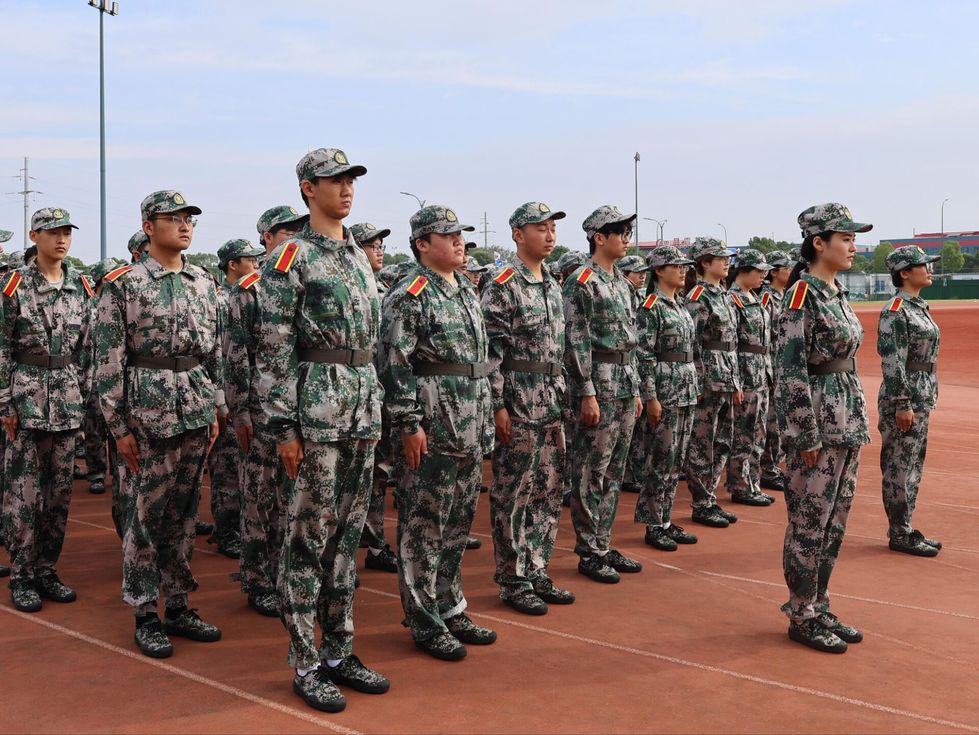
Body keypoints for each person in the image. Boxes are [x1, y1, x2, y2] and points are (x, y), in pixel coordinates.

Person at [256, 150, 389, 712]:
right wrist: (283, 427)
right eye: (335, 181)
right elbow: (273, 348)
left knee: (346, 540)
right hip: (316, 416)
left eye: (351, 180)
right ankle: (305, 660)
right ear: (308, 188)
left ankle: (339, 650)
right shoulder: (290, 256)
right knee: (307, 540)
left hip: (360, 412)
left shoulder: (358, 255)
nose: (346, 189)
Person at [95, 190, 224, 658]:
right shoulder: (124, 285)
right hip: (147, 416)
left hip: (194, 407)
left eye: (189, 218)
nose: (184, 225)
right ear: (149, 227)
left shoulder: (203, 281)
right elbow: (108, 360)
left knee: (184, 513)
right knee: (145, 516)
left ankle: (179, 604)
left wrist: (216, 406)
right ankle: (145, 611)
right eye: (173, 218)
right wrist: (118, 427)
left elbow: (213, 351)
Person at [379, 204, 497, 661]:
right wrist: (408, 424)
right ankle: (424, 619)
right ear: (423, 244)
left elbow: (479, 362)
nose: (459, 241)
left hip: (469, 424)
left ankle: (450, 606)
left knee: (457, 524)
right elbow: (394, 363)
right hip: (433, 427)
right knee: (424, 525)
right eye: (448, 236)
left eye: (459, 234)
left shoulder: (464, 288)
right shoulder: (409, 294)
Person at [776, 202, 871, 653]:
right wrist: (804, 433)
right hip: (817, 423)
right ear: (819, 243)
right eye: (846, 238)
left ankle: (819, 603)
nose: (853, 246)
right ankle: (801, 613)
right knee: (809, 521)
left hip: (845, 420)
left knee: (834, 521)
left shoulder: (837, 292)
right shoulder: (801, 295)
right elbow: (790, 369)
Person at [482, 201, 574, 615]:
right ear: (518, 234)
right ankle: (513, 578)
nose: (549, 235)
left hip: (551, 401)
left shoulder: (552, 284)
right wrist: (497, 404)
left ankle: (537, 568)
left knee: (548, 490)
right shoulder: (504, 283)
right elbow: (491, 351)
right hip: (518, 401)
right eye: (540, 228)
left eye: (552, 228)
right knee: (513, 492)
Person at [0, 208, 92, 612]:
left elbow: (88, 349)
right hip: (26, 401)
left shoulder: (81, 286)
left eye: (66, 232)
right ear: (34, 235)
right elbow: (2, 348)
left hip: (67, 401)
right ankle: (21, 575)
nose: (61, 239)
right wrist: (5, 403)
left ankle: (47, 569)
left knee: (59, 495)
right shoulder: (13, 285)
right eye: (53, 232)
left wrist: (83, 398)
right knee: (24, 495)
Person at [227, 207, 306, 619]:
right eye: (286, 231)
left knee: (295, 496)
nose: (294, 236)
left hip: (302, 407)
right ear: (266, 238)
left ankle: (288, 573)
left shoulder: (305, 279)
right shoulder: (249, 289)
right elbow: (236, 356)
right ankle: (258, 579)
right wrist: (239, 411)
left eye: (298, 230)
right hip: (260, 410)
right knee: (260, 496)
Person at [563, 206, 644, 584]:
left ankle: (603, 542)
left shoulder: (623, 284)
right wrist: (586, 392)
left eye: (628, 232)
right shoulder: (582, 281)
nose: (627, 239)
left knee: (614, 472)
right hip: (599, 382)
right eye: (620, 233)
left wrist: (637, 388)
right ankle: (589, 550)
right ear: (599, 237)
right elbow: (575, 341)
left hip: (624, 383)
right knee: (590, 470)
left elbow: (632, 343)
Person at [878, 246, 943, 557]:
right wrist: (902, 403)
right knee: (899, 468)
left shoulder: (917, 306)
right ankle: (900, 533)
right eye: (923, 265)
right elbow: (893, 361)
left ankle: (904, 527)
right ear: (904, 272)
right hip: (905, 398)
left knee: (913, 465)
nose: (930, 270)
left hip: (921, 395)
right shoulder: (896, 310)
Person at [634, 245, 699, 551]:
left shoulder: (681, 305)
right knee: (661, 459)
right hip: (665, 390)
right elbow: (644, 355)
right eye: (676, 266)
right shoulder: (651, 307)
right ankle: (653, 524)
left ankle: (666, 520)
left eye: (684, 266)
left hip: (686, 389)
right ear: (659, 270)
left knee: (677, 460)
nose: (683, 271)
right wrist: (651, 397)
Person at [348, 221, 399, 574]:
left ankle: (376, 541)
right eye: (371, 245)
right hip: (357, 396)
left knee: (379, 474)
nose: (378, 250)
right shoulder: (350, 288)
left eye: (381, 245)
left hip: (382, 395)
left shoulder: (383, 290)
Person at [209, 239, 264, 559]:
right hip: (225, 390)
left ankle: (243, 527)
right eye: (250, 259)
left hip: (246, 390)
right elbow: (217, 352)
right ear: (232, 264)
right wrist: (220, 397)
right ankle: (227, 529)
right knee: (227, 467)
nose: (256, 263)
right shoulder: (219, 299)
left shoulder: (255, 293)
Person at [683, 238, 741, 529]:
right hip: (708, 379)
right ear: (705, 263)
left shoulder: (725, 295)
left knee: (722, 442)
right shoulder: (698, 296)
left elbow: (732, 344)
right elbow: (691, 342)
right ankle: (701, 502)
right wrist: (697, 381)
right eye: (720, 258)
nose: (727, 262)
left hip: (726, 377)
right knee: (702, 443)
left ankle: (710, 496)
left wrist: (737, 380)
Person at [725, 248, 776, 507]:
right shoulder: (732, 300)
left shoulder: (754, 298)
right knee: (744, 434)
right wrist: (735, 380)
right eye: (759, 271)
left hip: (761, 373)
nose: (763, 275)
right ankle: (740, 486)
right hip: (745, 374)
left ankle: (753, 482)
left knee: (758, 432)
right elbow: (730, 345)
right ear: (743, 270)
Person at [82, 259, 125, 499]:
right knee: (94, 430)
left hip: (116, 378)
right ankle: (96, 473)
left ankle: (119, 473)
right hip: (94, 379)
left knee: (118, 429)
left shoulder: (121, 303)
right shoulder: (89, 307)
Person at [617, 254, 651, 494]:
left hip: (634, 367)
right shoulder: (623, 295)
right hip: (621, 369)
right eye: (637, 272)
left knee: (637, 429)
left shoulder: (640, 298)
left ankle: (634, 471)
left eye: (644, 272)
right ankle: (629, 473)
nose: (642, 276)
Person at [759, 250, 791, 492]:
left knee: (780, 421)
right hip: (770, 367)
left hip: (783, 367)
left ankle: (774, 465)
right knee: (770, 422)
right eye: (786, 268)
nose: (791, 271)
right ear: (774, 272)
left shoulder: (786, 297)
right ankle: (768, 469)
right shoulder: (766, 299)